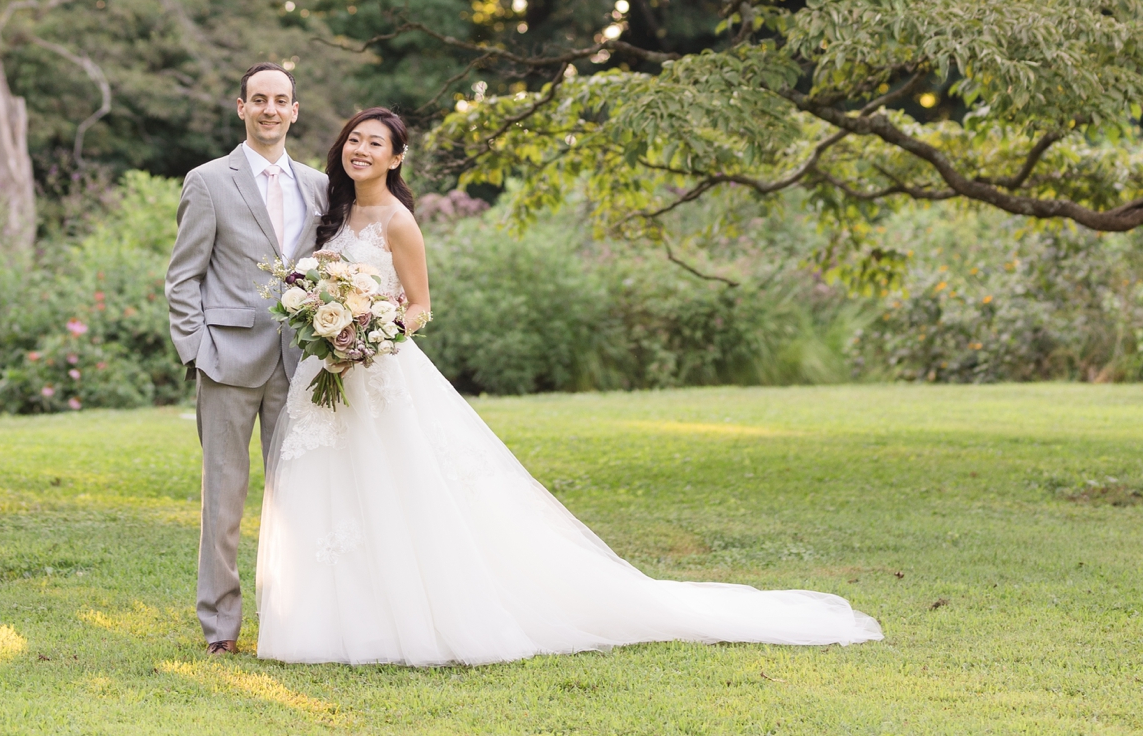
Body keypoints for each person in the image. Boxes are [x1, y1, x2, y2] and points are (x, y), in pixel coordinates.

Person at [255, 106, 884, 667]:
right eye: (353, 141)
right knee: (330, 489)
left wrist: (371, 332)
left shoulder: (397, 221)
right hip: (326, 372)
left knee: (397, 489)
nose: (360, 150)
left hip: (379, 369)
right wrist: (325, 320)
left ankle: (414, 619)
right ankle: (330, 622)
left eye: (374, 143)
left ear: (395, 158)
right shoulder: (334, 212)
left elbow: (419, 306)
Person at [165, 62, 330, 654]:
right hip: (227, 364)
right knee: (225, 503)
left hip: (299, 365)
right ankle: (220, 630)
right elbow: (183, 277)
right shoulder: (208, 181)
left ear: (294, 110)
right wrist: (198, 352)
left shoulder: (317, 185)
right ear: (241, 108)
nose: (269, 109)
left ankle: (292, 624)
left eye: (280, 100)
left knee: (298, 500)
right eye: (258, 99)